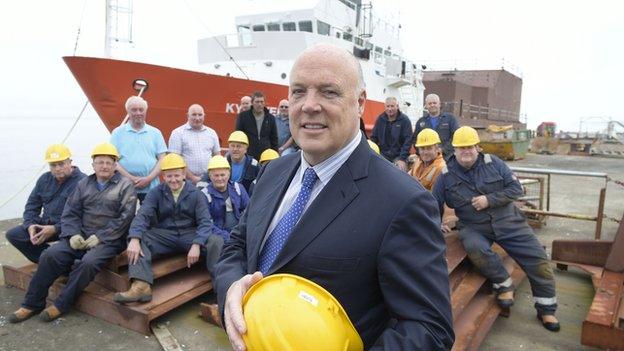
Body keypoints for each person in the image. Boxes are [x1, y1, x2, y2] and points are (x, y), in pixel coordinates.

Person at [215, 44, 454, 350]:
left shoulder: (404, 202)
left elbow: (429, 330)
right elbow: (237, 246)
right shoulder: (272, 171)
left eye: (329, 92)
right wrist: (232, 290)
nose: (309, 105)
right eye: (299, 91)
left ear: (360, 103)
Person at [433, 126, 560, 332]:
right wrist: (436, 222)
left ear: (478, 147)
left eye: (470, 147)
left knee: (538, 259)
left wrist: (489, 200)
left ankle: (547, 309)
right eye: (461, 148)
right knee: (476, 248)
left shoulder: (495, 164)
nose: (466, 151)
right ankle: (503, 283)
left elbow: (516, 189)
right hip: (474, 227)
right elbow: (434, 203)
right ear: (454, 150)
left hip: (508, 222)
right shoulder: (446, 176)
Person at [8, 143, 136, 323]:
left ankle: (61, 304)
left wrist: (100, 237)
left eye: (109, 162)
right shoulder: (84, 184)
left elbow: (125, 218)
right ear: (93, 165)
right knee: (49, 254)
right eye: (100, 162)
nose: (104, 166)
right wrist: (73, 234)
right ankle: (32, 303)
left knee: (88, 263)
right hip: (81, 234)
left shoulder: (126, 185)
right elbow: (71, 212)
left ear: (116, 165)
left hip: (111, 239)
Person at [113, 153, 220, 304]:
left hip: (189, 235)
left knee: (216, 241)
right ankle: (141, 286)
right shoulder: (156, 193)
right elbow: (142, 215)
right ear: (163, 176)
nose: (173, 180)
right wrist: (135, 239)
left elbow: (205, 222)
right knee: (140, 238)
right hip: (165, 236)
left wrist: (197, 243)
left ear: (183, 174)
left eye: (176, 175)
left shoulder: (196, 194)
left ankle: (221, 290)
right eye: (169, 176)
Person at [6, 144, 86, 263]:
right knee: (14, 235)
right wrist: (30, 225)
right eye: (53, 165)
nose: (57, 168)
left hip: (70, 229)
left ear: (70, 162)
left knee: (68, 245)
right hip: (45, 225)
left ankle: (57, 261)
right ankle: (53, 263)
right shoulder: (44, 179)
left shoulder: (83, 182)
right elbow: (32, 206)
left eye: (61, 164)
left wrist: (55, 228)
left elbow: (84, 216)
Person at [110, 96, 167, 202]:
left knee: (151, 217)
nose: (138, 113)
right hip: (124, 187)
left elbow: (162, 159)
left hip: (151, 187)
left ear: (146, 111)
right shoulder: (117, 133)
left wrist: (148, 179)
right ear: (128, 111)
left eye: (141, 110)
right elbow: (113, 160)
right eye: (134, 110)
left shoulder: (155, 132)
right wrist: (130, 179)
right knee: (125, 218)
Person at [201, 155, 249, 242]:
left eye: (222, 175)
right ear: (210, 176)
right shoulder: (205, 194)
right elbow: (206, 223)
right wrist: (227, 237)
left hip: (240, 232)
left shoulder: (238, 188)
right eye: (216, 175)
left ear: (229, 174)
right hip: (219, 237)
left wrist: (241, 231)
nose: (220, 178)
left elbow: (249, 211)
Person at [168, 103, 221, 184]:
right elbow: (175, 160)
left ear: (204, 116)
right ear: (187, 116)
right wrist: (192, 178)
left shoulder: (212, 133)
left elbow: (217, 157)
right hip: (186, 181)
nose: (197, 118)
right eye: (194, 115)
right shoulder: (177, 133)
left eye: (200, 115)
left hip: (209, 180)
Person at [405, 93, 459, 160]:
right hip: (427, 160)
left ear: (439, 104)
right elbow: (415, 140)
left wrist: (442, 150)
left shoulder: (450, 119)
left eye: (434, 103)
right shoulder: (421, 122)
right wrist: (423, 152)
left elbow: (456, 137)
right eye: (430, 103)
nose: (432, 105)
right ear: (426, 106)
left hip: (447, 158)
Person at [370, 97, 413, 170]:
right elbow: (374, 138)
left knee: (400, 171)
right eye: (388, 106)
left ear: (397, 106)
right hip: (383, 154)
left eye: (392, 106)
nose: (390, 109)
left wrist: (402, 159)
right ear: (385, 107)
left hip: (398, 156)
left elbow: (407, 141)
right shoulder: (380, 119)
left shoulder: (405, 120)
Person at [234, 91, 278, 160]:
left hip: (266, 156)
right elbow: (238, 135)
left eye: (262, 102)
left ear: (264, 103)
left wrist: (276, 154)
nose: (259, 104)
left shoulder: (271, 118)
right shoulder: (243, 116)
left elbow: (274, 138)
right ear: (252, 103)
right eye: (257, 102)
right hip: (248, 154)